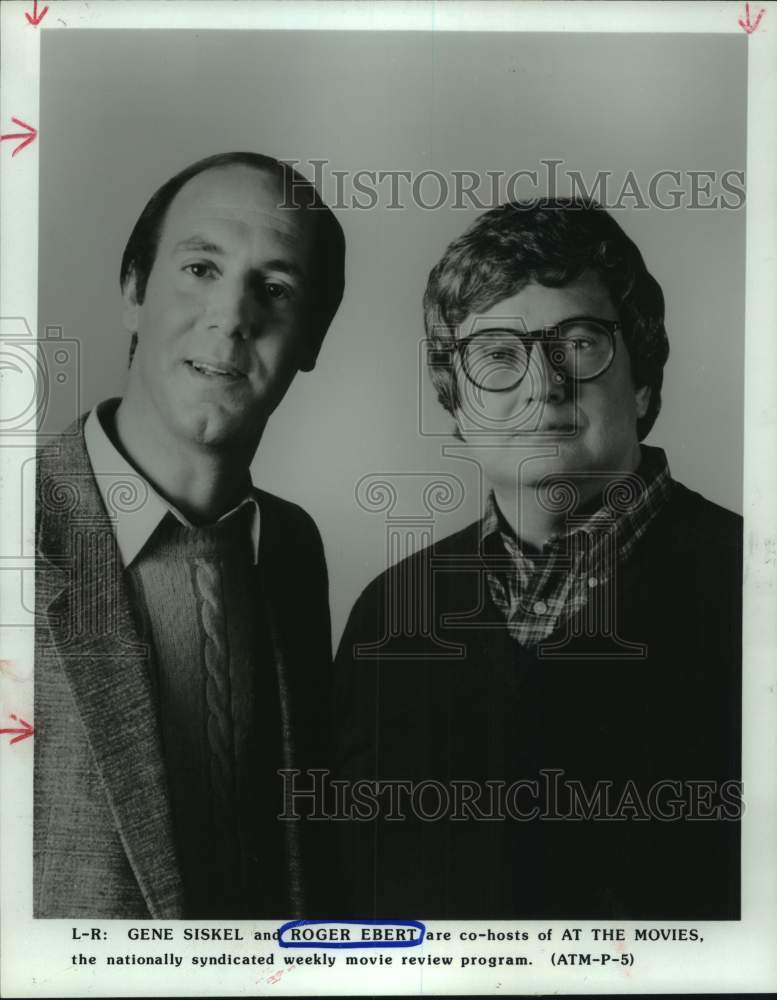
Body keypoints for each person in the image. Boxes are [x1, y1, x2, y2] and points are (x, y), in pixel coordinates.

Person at [334, 200, 741, 919]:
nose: (541, 383)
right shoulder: (390, 615)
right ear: (455, 404)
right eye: (496, 353)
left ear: (642, 381)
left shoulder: (754, 586)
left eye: (579, 342)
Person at [34, 152, 345, 919]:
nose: (231, 317)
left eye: (276, 289)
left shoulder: (293, 551)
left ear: (311, 341)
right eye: (201, 268)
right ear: (133, 291)